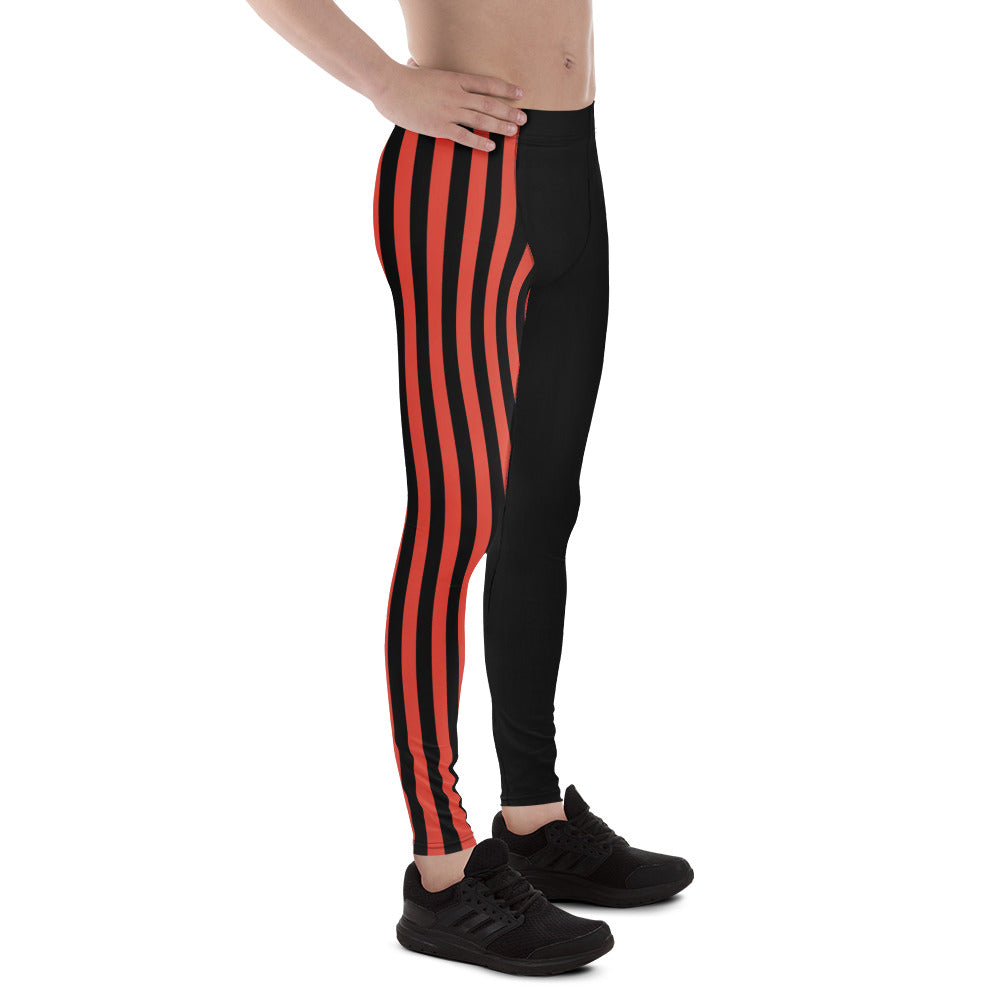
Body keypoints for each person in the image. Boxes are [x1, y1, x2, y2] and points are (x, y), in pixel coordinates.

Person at [244, 0, 693, 974]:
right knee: (455, 524)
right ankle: (443, 870)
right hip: (464, 177)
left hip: (571, 161)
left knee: (540, 511)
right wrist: (384, 82)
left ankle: (533, 816)